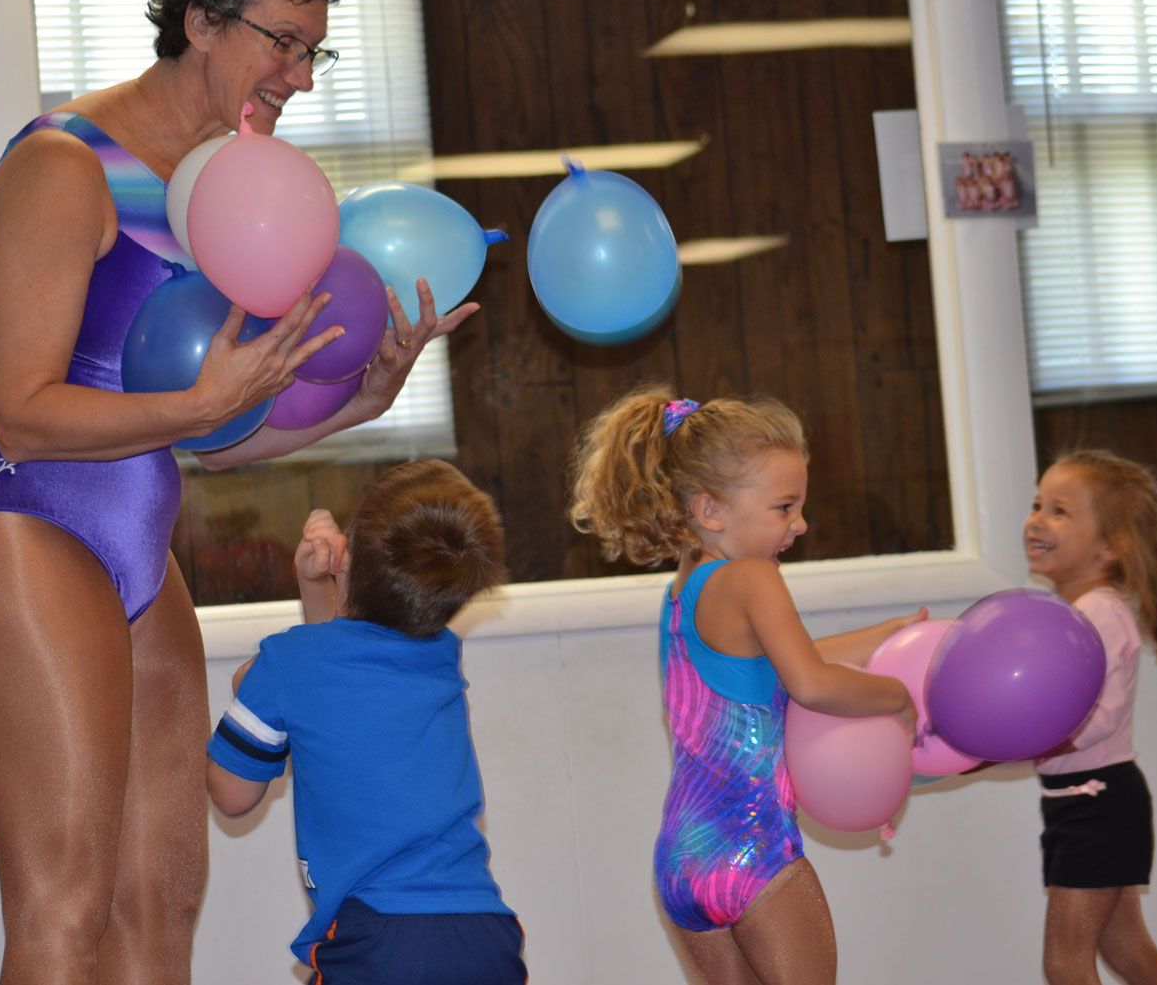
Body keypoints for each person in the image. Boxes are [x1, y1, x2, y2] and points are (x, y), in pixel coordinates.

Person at [0, 0, 478, 981]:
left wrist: (358, 402)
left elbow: (207, 439)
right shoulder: (65, 165)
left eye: (316, 51)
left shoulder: (224, 188)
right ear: (203, 22)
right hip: (10, 510)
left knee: (159, 903)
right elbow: (21, 412)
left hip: (133, 523)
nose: (301, 77)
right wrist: (201, 404)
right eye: (282, 44)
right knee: (64, 903)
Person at [567, 386, 920, 985]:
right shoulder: (754, 577)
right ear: (711, 510)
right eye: (784, 507)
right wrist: (898, 697)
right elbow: (809, 683)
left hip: (683, 858)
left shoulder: (683, 592)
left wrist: (885, 634)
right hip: (755, 848)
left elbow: (776, 666)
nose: (800, 523)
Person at [206, 459, 526, 985]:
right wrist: (318, 590)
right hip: (485, 936)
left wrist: (261, 685)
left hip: (381, 942)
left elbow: (232, 795)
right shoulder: (439, 654)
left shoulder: (290, 665)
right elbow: (338, 660)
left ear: (347, 552)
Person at [1023, 450, 1157, 985]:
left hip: (1097, 803)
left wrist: (1034, 736)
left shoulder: (1100, 614)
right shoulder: (1074, 613)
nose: (1036, 520)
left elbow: (1099, 716)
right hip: (1085, 802)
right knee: (1129, 953)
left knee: (1065, 963)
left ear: (1110, 546)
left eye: (1060, 511)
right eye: (1037, 503)